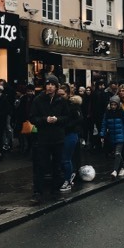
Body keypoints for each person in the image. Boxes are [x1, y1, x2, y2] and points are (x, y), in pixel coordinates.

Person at [29, 74, 69, 204]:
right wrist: (45, 120)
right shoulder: (38, 100)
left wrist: (58, 119)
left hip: (58, 138)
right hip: (43, 138)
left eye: (53, 84)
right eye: (48, 84)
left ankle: (55, 191)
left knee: (57, 165)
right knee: (40, 166)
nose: (50, 87)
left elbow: (67, 118)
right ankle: (38, 192)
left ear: (57, 87)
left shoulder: (61, 101)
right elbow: (32, 118)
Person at [100, 95, 124, 178]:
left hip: (121, 135)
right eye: (112, 104)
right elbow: (104, 125)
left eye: (115, 104)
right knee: (117, 154)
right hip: (112, 136)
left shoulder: (122, 113)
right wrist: (102, 135)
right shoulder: (107, 114)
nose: (113, 106)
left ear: (118, 105)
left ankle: (115, 170)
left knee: (118, 153)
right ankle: (123, 167)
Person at [57, 84, 82, 192]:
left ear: (67, 94)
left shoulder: (72, 105)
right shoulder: (57, 104)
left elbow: (79, 119)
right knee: (64, 159)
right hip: (61, 134)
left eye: (62, 94)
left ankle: (68, 180)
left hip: (70, 134)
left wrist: (66, 124)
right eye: (59, 94)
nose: (60, 96)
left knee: (66, 158)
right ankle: (68, 177)